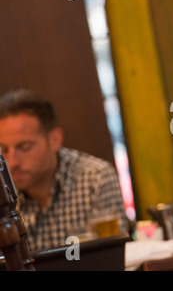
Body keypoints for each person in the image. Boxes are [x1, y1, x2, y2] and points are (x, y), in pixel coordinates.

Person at [0, 89, 129, 251]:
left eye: (25, 147)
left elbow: (112, 256)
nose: (12, 162)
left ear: (54, 139)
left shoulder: (94, 177)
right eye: (3, 149)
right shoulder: (3, 189)